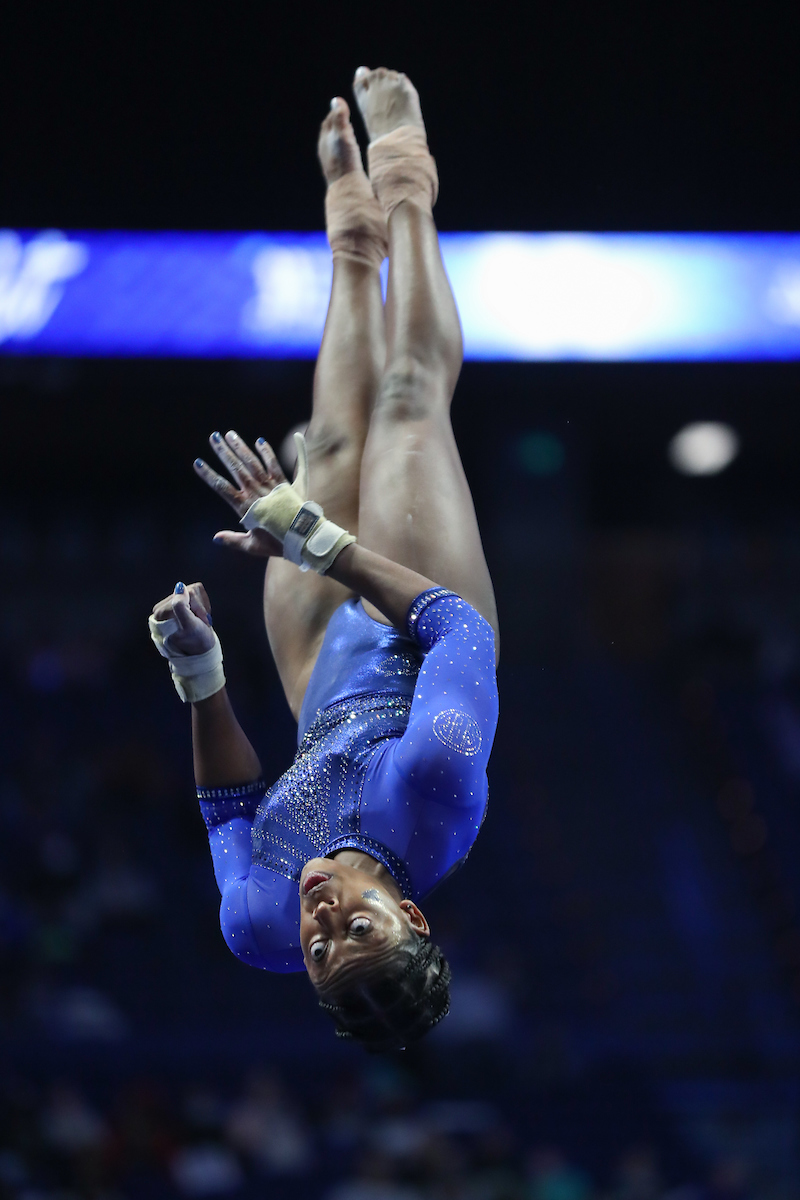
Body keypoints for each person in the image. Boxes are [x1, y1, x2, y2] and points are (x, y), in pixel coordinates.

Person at [149, 67, 499, 1051]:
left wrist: (199, 672)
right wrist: (316, 541)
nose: (315, 920)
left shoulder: (254, 924)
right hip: (410, 627)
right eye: (353, 925)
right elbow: (456, 630)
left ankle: (349, 228)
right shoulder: (434, 791)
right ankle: (404, 176)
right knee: (401, 402)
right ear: (411, 914)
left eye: (317, 949)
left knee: (328, 450)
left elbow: (225, 805)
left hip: (315, 682)